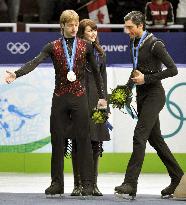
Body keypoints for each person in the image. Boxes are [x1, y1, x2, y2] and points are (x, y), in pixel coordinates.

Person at [5, 10, 107, 196]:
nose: (74, 28)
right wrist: (16, 74)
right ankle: (57, 183)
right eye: (70, 25)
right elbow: (35, 62)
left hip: (79, 97)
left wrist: (102, 97)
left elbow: (97, 73)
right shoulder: (52, 46)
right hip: (60, 97)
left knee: (83, 139)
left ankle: (88, 183)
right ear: (62, 26)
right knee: (57, 141)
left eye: (76, 25)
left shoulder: (85, 46)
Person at [114, 11, 184, 199]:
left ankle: (130, 183)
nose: (126, 30)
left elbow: (173, 70)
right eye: (126, 27)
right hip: (142, 96)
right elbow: (136, 70)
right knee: (155, 140)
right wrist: (126, 90)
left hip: (155, 95)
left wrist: (147, 78)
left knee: (139, 136)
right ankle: (178, 177)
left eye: (130, 27)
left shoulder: (155, 44)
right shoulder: (134, 42)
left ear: (140, 26)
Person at [69, 19, 110, 197]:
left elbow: (104, 80)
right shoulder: (74, 52)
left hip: (97, 102)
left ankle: (93, 185)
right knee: (78, 143)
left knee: (96, 143)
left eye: (95, 30)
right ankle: (77, 185)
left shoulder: (101, 53)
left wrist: (105, 102)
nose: (93, 33)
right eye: (89, 31)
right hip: (78, 101)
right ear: (81, 33)